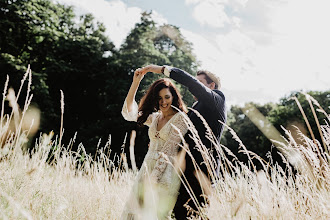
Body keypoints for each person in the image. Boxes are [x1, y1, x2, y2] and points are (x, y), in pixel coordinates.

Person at [140, 64, 227, 219]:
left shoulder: (218, 100)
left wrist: (163, 70)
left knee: (194, 215)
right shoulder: (197, 106)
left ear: (211, 85)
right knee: (177, 214)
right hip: (183, 171)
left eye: (200, 82)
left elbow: (191, 83)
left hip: (203, 171)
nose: (193, 88)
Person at [121, 68, 189, 220]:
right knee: (133, 212)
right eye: (159, 98)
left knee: (156, 214)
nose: (163, 102)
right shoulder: (154, 118)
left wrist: (152, 180)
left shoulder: (180, 118)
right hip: (146, 167)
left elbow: (169, 151)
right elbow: (128, 113)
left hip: (165, 173)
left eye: (167, 97)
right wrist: (135, 83)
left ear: (174, 97)